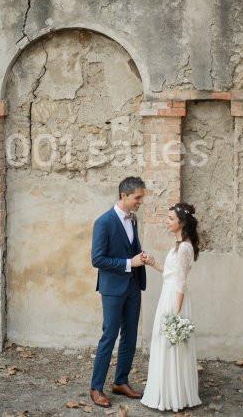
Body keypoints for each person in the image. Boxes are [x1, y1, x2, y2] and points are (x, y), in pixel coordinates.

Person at [89, 176, 147, 409]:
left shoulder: (133, 219)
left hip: (133, 285)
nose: (140, 202)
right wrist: (129, 263)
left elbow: (129, 249)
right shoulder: (103, 222)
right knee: (110, 335)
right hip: (113, 288)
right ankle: (96, 388)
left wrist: (140, 257)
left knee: (130, 336)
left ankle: (121, 381)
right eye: (137, 198)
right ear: (124, 195)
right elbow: (97, 259)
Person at [140, 202, 202, 412]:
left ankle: (174, 396)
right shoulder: (178, 245)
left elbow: (181, 283)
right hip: (168, 294)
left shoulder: (184, 248)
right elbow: (170, 273)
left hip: (174, 299)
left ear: (181, 223)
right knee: (165, 345)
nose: (167, 222)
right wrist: (152, 262)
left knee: (171, 345)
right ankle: (165, 392)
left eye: (170, 219)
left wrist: (176, 315)